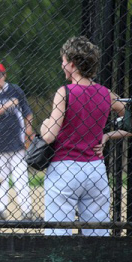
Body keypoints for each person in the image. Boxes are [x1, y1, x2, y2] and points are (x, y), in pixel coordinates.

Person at [40, 36, 127, 236]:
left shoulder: (65, 92)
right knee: (97, 237)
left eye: (63, 61)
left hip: (65, 168)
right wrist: (108, 136)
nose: (62, 65)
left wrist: (45, 124)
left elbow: (49, 136)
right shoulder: (105, 93)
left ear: (72, 64)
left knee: (58, 237)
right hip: (95, 170)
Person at [0, 62, 38, 221]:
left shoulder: (15, 90)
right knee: (0, 179)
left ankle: (27, 212)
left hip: (17, 142)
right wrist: (7, 105)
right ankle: (0, 211)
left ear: (5, 75)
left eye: (0, 75)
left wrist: (29, 131)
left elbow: (28, 113)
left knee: (21, 178)